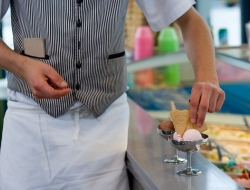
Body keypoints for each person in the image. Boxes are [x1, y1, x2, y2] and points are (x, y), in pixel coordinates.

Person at [0, 0, 225, 189]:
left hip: (105, 131)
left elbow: (190, 20)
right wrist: (22, 66)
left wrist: (207, 76)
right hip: (31, 130)